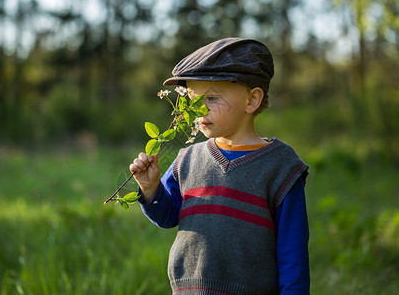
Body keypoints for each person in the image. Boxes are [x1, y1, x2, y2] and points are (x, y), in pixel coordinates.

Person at [129, 38, 310, 295]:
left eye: (212, 98)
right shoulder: (187, 159)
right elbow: (168, 216)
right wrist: (150, 189)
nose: (198, 111)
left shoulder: (280, 166)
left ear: (252, 100)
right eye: (192, 101)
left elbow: (293, 254)